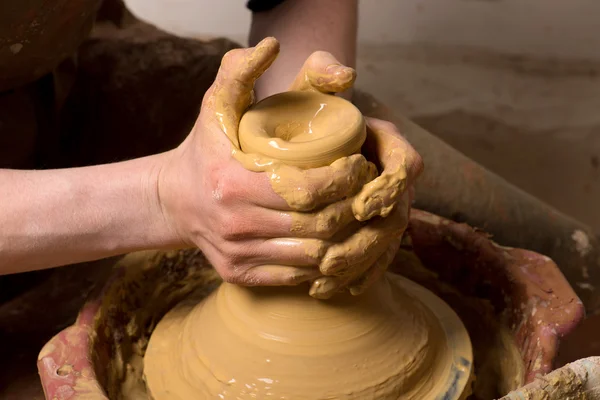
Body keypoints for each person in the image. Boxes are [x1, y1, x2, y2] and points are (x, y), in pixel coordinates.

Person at [0, 0, 422, 299]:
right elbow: (165, 196)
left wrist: (300, 142)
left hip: (61, 69)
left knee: (433, 200)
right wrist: (162, 198)